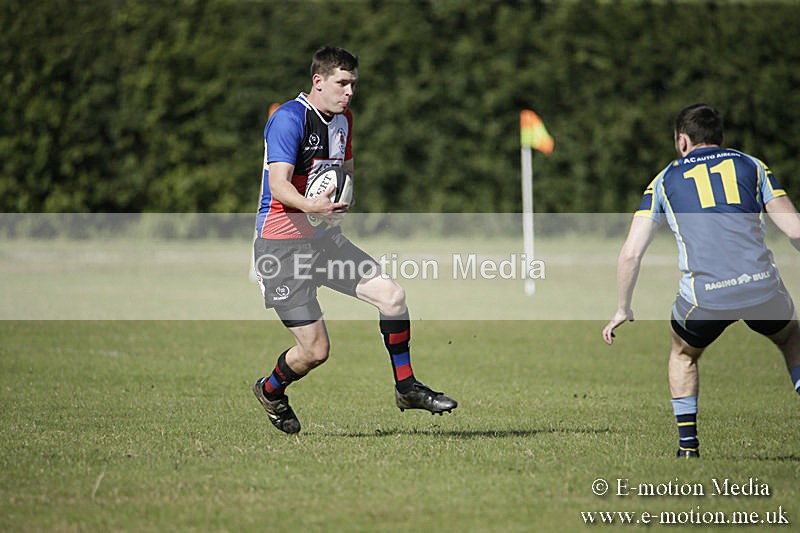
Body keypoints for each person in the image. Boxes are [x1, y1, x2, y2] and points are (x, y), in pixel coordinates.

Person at [251, 46, 457, 434]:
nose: (349, 92)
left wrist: (343, 198)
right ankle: (270, 390)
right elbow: (278, 185)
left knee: (392, 297)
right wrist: (312, 204)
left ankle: (406, 387)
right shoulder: (289, 119)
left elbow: (345, 168)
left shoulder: (344, 119)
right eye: (342, 83)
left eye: (353, 84)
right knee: (316, 351)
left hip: (323, 241)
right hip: (281, 248)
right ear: (318, 81)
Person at [602, 103, 800, 458]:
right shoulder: (752, 165)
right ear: (720, 137)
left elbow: (630, 253)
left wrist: (622, 308)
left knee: (683, 354)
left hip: (705, 296)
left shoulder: (664, 180)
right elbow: (795, 231)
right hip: (761, 285)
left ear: (682, 141)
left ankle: (688, 448)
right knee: (790, 338)